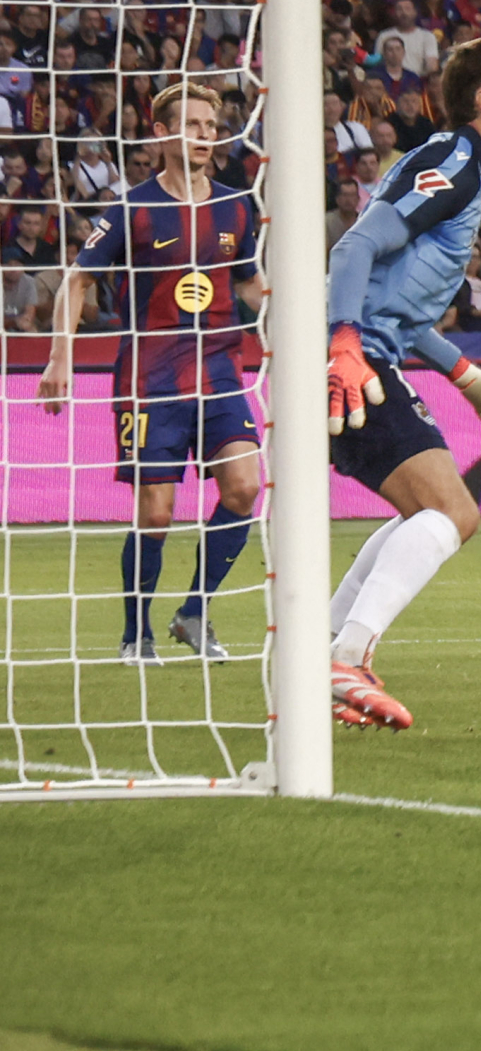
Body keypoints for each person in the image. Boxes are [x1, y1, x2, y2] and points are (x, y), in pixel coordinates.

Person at [322, 38, 481, 731]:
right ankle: (345, 659)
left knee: (422, 513)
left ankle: (321, 659)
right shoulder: (454, 159)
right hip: (351, 358)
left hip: (361, 351)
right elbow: (354, 247)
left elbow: (398, 304)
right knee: (452, 512)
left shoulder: (462, 169)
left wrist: (462, 372)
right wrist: (343, 343)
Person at [38, 85, 263, 661]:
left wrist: (289, 321)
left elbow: (249, 285)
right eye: (192, 124)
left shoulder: (237, 206)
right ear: (162, 133)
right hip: (150, 379)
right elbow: (77, 279)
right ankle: (135, 635)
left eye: (211, 125)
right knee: (157, 513)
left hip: (219, 371)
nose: (205, 134)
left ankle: (194, 612)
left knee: (244, 487)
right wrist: (61, 356)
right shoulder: (131, 208)